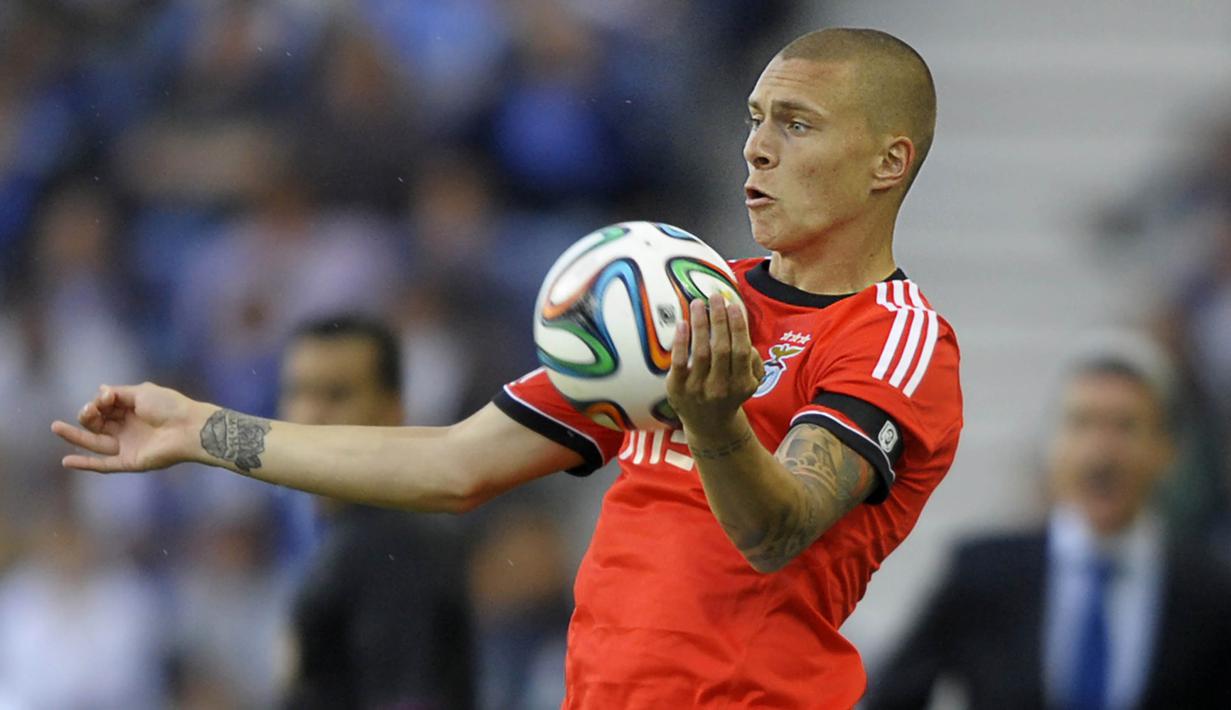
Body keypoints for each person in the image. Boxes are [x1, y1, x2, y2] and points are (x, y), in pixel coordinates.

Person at [52, 28, 962, 708]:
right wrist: (202, 431)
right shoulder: (676, 294)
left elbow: (779, 531)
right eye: (755, 118)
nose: (755, 148)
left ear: (890, 160)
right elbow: (453, 465)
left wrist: (716, 423)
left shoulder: (896, 339)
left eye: (795, 124)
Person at [865, 340, 1231, 710]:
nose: (1101, 452)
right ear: (1053, 445)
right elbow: (894, 695)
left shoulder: (1210, 591)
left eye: (1125, 426)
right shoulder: (982, 574)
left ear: (1166, 450)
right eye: (1082, 423)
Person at [275, 316, 475, 709]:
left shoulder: (396, 544)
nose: (311, 414)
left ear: (392, 410)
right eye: (299, 392)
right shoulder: (340, 537)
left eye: (336, 395)